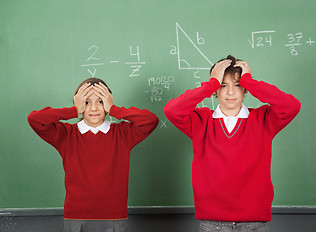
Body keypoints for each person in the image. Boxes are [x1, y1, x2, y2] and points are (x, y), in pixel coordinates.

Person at [164, 55, 301, 232]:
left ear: (245, 90)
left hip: (255, 224)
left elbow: (292, 106)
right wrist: (212, 82)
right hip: (212, 224)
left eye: (237, 85)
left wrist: (249, 81)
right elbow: (172, 110)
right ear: (215, 90)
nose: (230, 92)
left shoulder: (262, 119)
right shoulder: (201, 121)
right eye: (223, 86)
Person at [28, 78, 159, 232]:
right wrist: (73, 110)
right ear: (79, 103)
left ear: (108, 103)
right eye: (87, 102)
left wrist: (115, 109)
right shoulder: (66, 134)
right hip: (76, 218)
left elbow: (151, 121)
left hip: (114, 217)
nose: (94, 108)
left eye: (100, 101)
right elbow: (35, 120)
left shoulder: (122, 133)